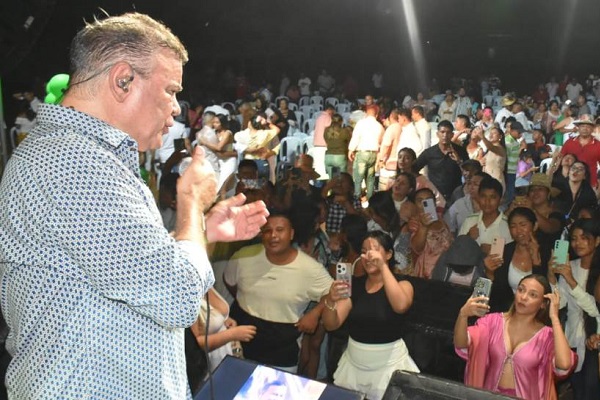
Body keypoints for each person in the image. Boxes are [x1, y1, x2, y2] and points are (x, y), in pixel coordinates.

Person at [0, 13, 269, 399]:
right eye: (170, 90)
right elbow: (177, 296)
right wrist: (192, 203)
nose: (176, 108)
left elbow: (130, 270)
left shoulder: (81, 155)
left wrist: (202, 230)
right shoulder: (72, 162)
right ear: (123, 80)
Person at [224, 212, 333, 373]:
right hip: (240, 340)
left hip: (282, 349)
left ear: (291, 234)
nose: (273, 235)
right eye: (267, 230)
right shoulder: (244, 256)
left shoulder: (310, 269)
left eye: (280, 230)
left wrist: (315, 313)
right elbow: (230, 282)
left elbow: (335, 293)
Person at [323, 231, 419, 400]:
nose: (369, 256)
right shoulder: (355, 286)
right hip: (354, 364)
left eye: (374, 250)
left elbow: (400, 306)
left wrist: (383, 267)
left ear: (388, 254)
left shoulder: (403, 284)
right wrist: (330, 300)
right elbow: (331, 324)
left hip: (388, 366)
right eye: (364, 251)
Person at [454, 274, 575, 399]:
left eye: (532, 295)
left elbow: (564, 364)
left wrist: (555, 318)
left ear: (543, 304)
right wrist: (463, 315)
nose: (523, 297)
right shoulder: (492, 322)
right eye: (521, 290)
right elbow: (461, 344)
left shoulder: (546, 336)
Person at [549, 218, 600, 400]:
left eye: (584, 238)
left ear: (597, 240)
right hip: (572, 339)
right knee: (578, 390)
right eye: (574, 238)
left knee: (591, 391)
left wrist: (570, 279)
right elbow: (561, 303)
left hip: (594, 339)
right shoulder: (570, 266)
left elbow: (594, 309)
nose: (578, 243)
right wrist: (552, 276)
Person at [414, 120, 469, 202]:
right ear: (437, 134)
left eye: (448, 132)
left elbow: (469, 171)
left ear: (452, 135)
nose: (445, 135)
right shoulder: (429, 153)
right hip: (435, 196)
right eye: (442, 132)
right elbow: (414, 169)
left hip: (455, 195)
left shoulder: (460, 151)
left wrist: (459, 160)